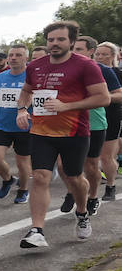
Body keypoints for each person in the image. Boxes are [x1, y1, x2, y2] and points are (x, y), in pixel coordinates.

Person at [15, 21, 110, 248]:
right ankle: (37, 230)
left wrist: (66, 106)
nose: (54, 44)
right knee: (40, 176)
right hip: (41, 132)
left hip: (74, 133)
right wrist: (21, 109)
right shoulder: (35, 66)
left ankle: (82, 211)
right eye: (51, 40)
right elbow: (27, 91)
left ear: (71, 42)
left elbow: (103, 98)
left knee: (74, 178)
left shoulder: (86, 66)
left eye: (60, 39)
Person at [67, 34, 121, 216]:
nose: (74, 53)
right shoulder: (64, 69)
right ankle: (73, 191)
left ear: (91, 51)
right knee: (64, 165)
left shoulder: (103, 70)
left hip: (100, 120)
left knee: (97, 162)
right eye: (73, 48)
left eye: (79, 49)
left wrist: (96, 99)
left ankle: (100, 192)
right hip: (69, 122)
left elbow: (119, 94)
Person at [0, 45, 33, 204]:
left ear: (26, 58)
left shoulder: (32, 76)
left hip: (24, 126)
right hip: (3, 124)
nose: (13, 58)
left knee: (23, 163)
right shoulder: (1, 77)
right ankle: (8, 179)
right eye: (11, 55)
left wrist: (25, 105)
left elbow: (36, 95)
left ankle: (23, 190)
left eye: (18, 55)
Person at [92, 42, 122, 202]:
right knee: (89, 157)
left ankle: (111, 186)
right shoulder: (90, 70)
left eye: (105, 54)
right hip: (91, 116)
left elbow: (120, 95)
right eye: (98, 54)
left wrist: (103, 97)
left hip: (112, 115)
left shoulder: (117, 72)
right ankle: (91, 188)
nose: (100, 57)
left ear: (114, 56)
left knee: (106, 156)